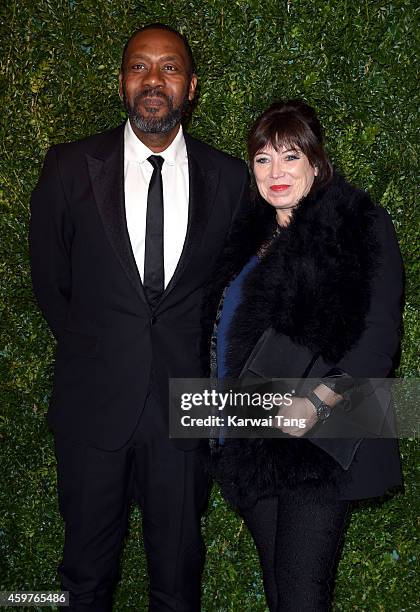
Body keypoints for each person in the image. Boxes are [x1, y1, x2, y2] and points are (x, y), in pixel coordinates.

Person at [29, 23, 249, 611]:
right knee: (84, 579)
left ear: (192, 86)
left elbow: (234, 297)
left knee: (178, 584)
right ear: (123, 81)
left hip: (187, 413)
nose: (153, 79)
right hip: (92, 407)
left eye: (169, 67)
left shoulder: (230, 181)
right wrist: (101, 350)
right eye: (139, 66)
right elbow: (52, 285)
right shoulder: (69, 167)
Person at [202, 100, 404, 611]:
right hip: (251, 442)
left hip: (319, 440)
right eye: (263, 158)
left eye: (291, 156)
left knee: (300, 597)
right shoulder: (247, 239)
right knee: (280, 595)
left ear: (317, 163)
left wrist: (318, 401)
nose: (276, 171)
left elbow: (379, 337)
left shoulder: (357, 223)